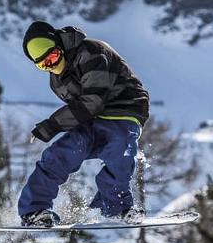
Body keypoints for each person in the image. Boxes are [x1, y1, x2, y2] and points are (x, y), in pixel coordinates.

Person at [18, 21, 150, 227]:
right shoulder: (57, 81)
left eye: (52, 57)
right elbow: (81, 110)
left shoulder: (92, 52)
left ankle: (116, 206)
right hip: (93, 119)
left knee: (120, 151)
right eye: (43, 65)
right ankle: (35, 210)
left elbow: (93, 102)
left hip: (124, 110)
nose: (51, 66)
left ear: (60, 46)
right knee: (59, 154)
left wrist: (51, 125)